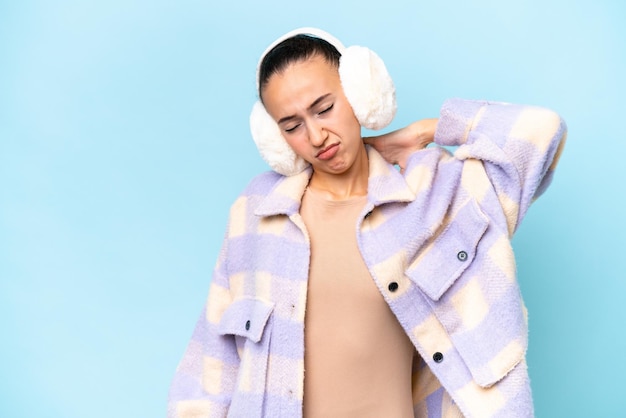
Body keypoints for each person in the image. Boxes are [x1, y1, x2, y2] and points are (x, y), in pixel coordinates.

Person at [167, 28, 567, 418]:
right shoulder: (256, 213)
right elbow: (211, 366)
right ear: (276, 138)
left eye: (324, 109)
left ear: (360, 94)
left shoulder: (430, 192)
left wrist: (426, 129)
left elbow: (539, 132)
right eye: (292, 126)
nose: (316, 135)